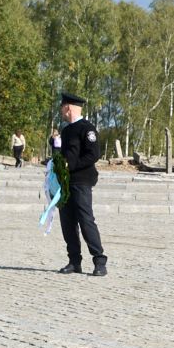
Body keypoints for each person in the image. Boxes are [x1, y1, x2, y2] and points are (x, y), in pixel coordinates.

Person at [54, 92, 106, 276]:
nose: (60, 111)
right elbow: (64, 154)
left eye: (62, 107)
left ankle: (99, 261)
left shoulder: (87, 128)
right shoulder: (66, 130)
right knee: (67, 222)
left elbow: (93, 154)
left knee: (85, 220)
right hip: (66, 182)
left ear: (68, 107)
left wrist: (71, 165)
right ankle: (74, 261)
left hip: (82, 181)